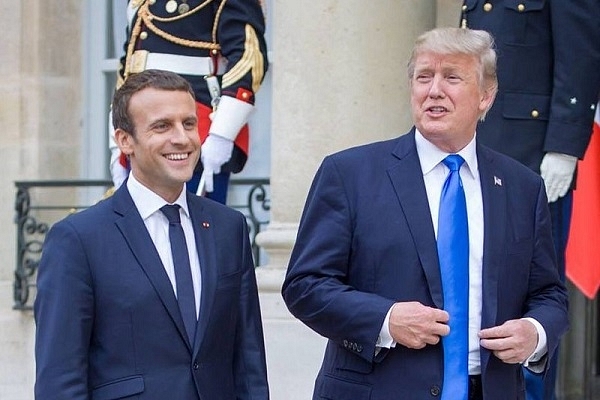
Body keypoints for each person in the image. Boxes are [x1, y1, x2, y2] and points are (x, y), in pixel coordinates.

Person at [281, 27, 568, 400]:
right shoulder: (349, 174)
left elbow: (549, 294)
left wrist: (535, 332)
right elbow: (305, 286)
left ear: (486, 96)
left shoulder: (521, 187)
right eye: (423, 76)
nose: (434, 90)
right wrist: (385, 320)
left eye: (451, 77)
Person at [34, 69, 269, 399]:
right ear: (125, 140)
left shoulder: (228, 228)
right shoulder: (77, 239)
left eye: (189, 123)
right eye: (162, 126)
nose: (182, 138)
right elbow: (60, 379)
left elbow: (249, 362)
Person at [460, 1, 600, 398]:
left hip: (533, 163)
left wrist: (564, 146)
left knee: (528, 304)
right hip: (478, 152)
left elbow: (582, 51)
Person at [109, 0, 269, 204]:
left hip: (196, 127)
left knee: (194, 226)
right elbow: (129, 66)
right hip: (141, 130)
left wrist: (222, 134)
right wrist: (116, 144)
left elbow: (248, 60)